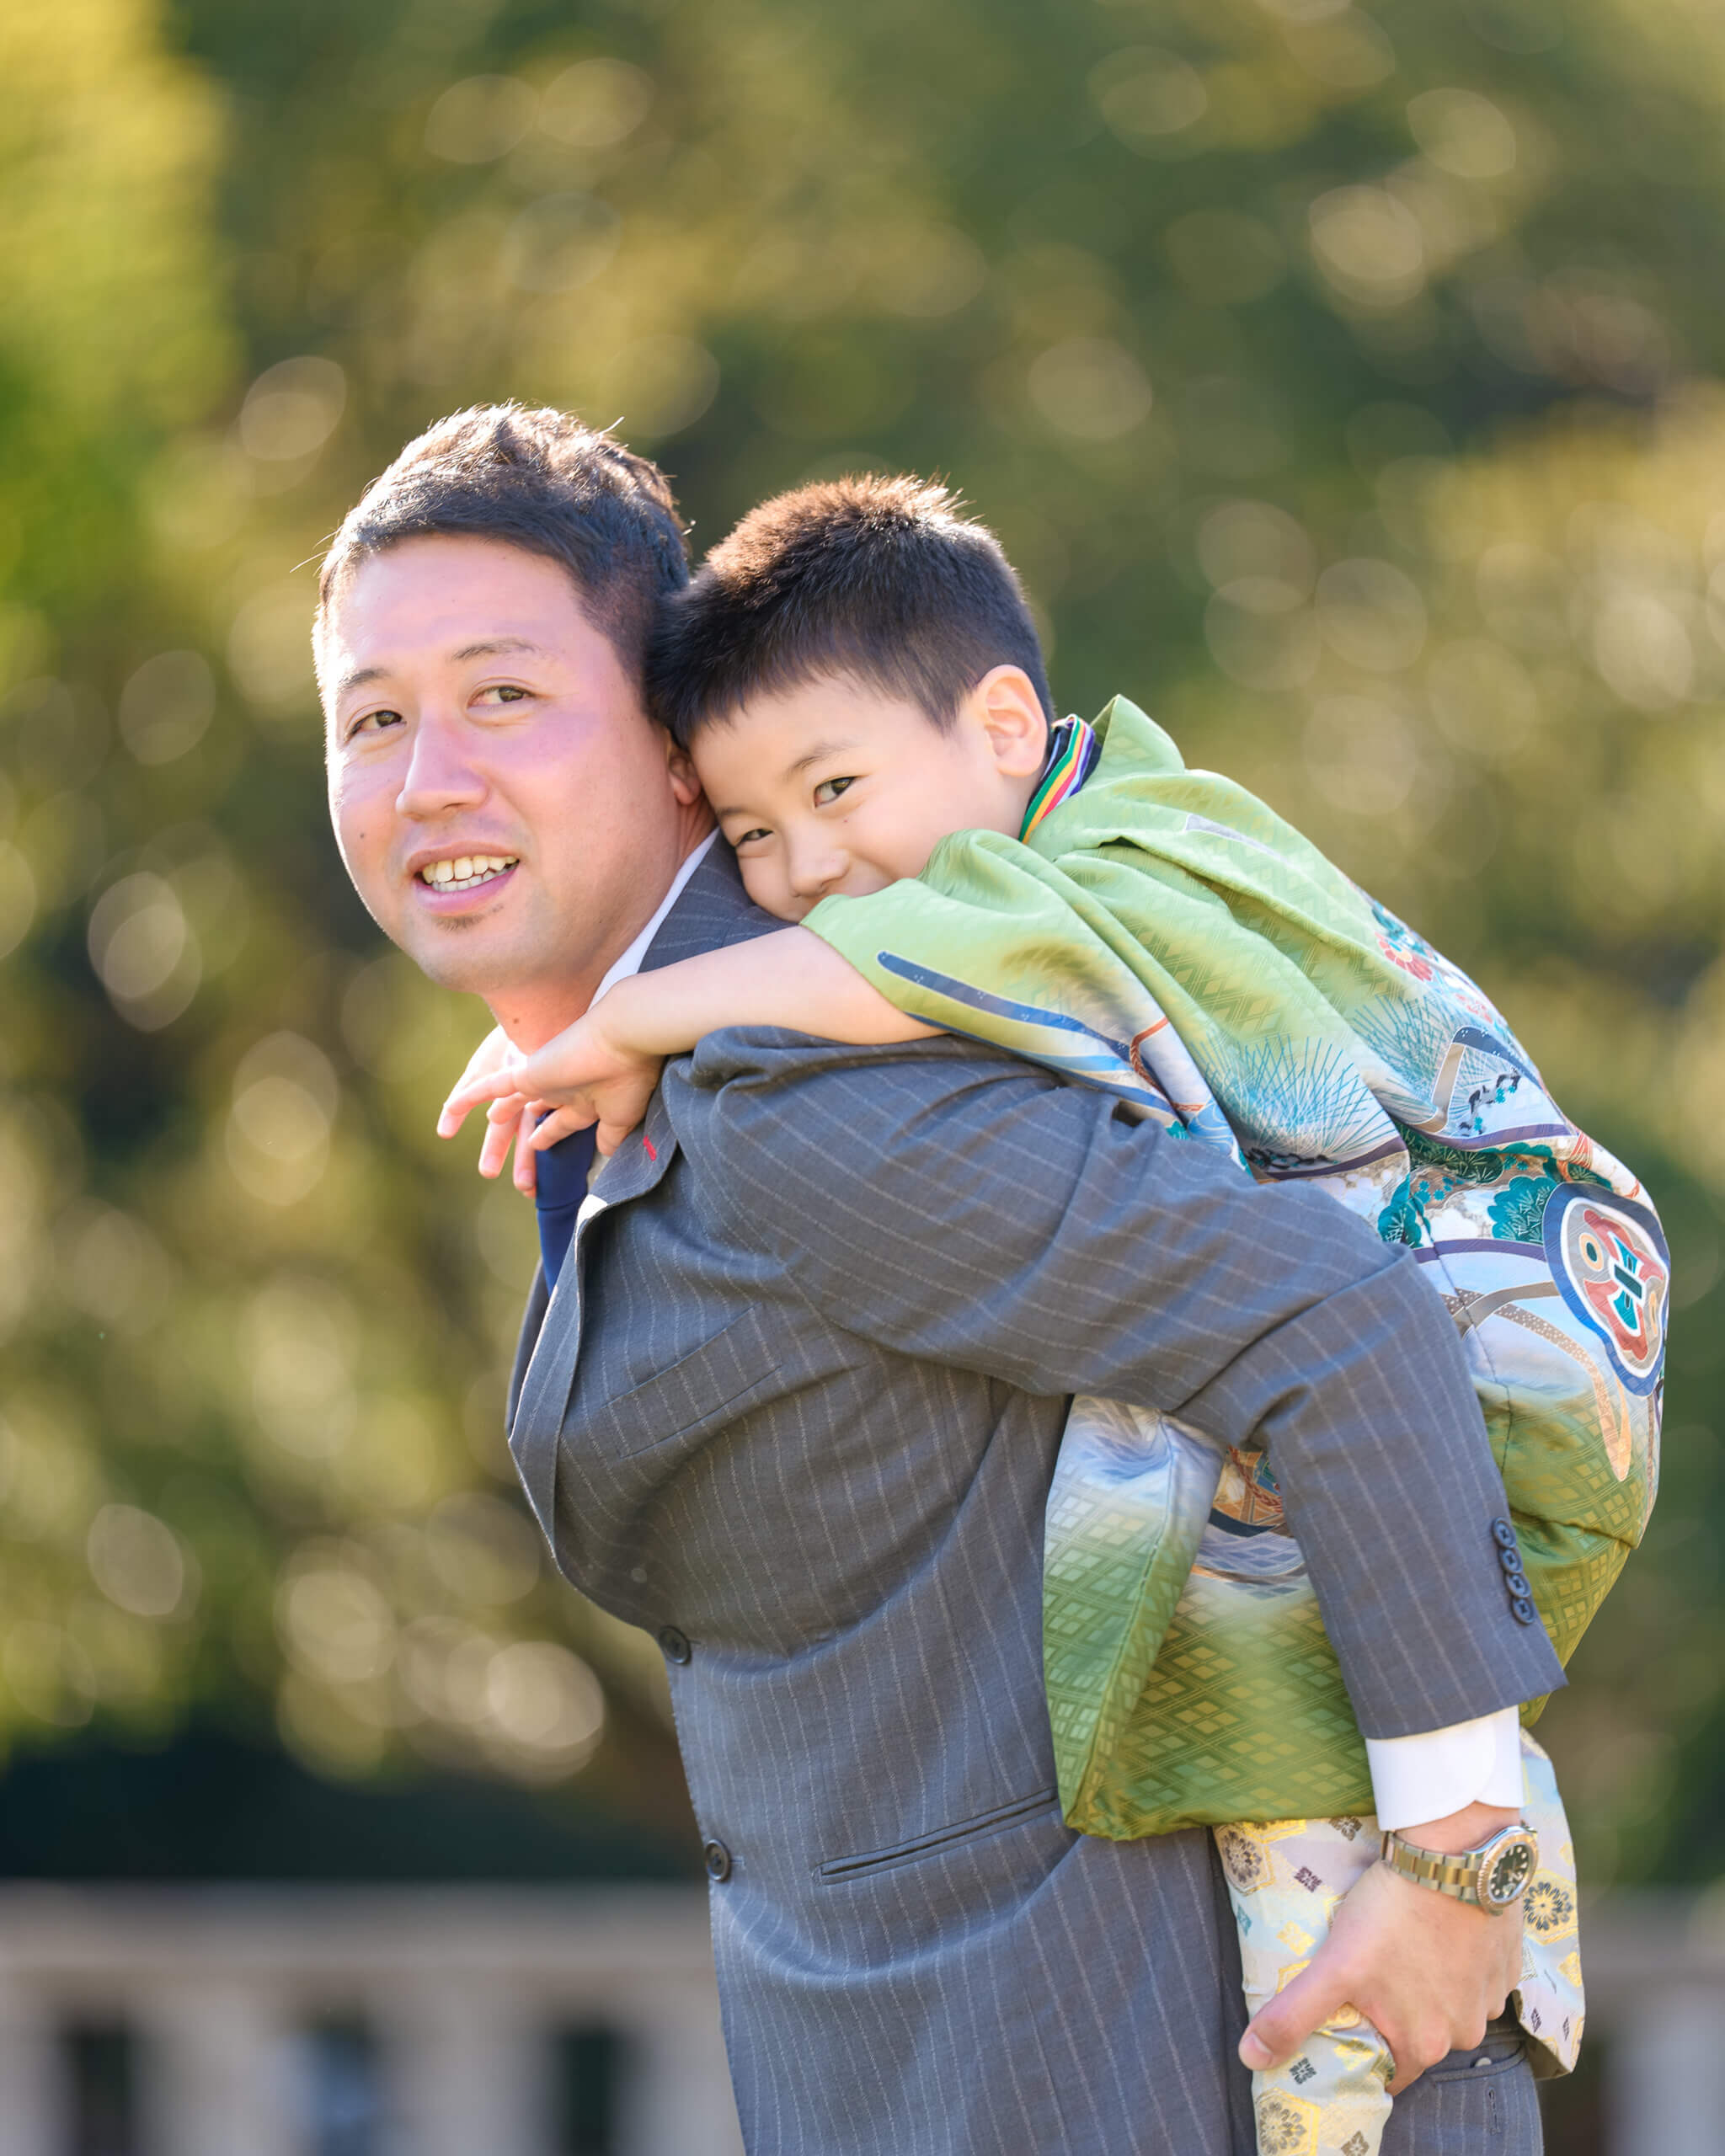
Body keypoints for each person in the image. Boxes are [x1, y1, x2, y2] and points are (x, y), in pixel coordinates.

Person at [321, 403, 1568, 2155]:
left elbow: (1335, 1316)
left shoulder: (804, 1074)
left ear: (676, 746)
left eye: (503, 694)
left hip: (1179, 2076)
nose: (428, 773)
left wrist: (1458, 1857)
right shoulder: (657, 1090)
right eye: (372, 718)